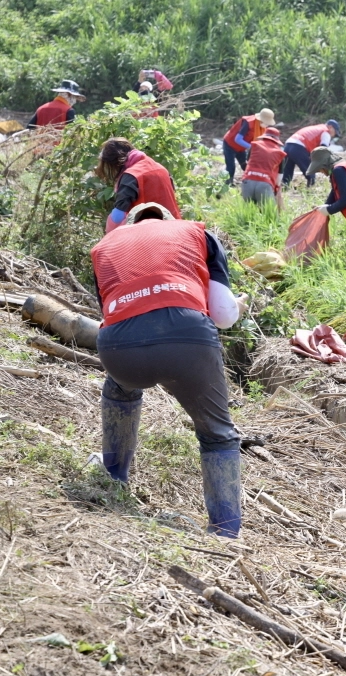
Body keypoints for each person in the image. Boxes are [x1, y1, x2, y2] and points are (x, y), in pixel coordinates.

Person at [89, 202, 248, 537]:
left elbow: (115, 311)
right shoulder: (196, 234)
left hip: (119, 350)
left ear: (130, 225)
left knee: (119, 387)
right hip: (186, 341)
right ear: (170, 222)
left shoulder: (106, 246)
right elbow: (223, 315)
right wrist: (240, 306)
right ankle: (226, 534)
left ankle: (114, 475)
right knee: (218, 435)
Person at [96, 138, 181, 232]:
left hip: (149, 233)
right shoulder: (160, 168)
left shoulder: (131, 175)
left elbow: (117, 217)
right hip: (175, 227)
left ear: (114, 163)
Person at [222, 108, 276, 185]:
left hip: (241, 148)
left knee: (246, 165)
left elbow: (262, 141)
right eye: (266, 123)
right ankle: (228, 184)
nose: (267, 125)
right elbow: (238, 139)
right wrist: (252, 147)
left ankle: (250, 182)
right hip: (230, 144)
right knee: (231, 166)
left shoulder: (262, 128)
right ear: (261, 120)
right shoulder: (248, 122)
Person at [282, 120, 340, 188]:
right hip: (299, 147)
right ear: (330, 127)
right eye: (335, 132)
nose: (333, 136)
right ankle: (310, 190)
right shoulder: (326, 132)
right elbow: (323, 149)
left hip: (288, 145)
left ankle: (284, 188)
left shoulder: (317, 128)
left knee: (287, 172)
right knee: (310, 172)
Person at [240, 127, 286, 209]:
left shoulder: (254, 146)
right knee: (269, 215)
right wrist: (275, 192)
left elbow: (248, 164)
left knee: (248, 213)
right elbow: (279, 179)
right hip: (264, 185)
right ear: (277, 140)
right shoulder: (280, 153)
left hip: (247, 182)